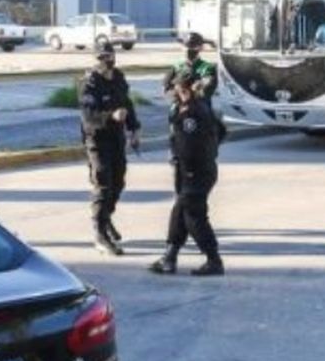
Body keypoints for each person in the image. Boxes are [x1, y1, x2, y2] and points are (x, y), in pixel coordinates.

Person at [150, 72, 223, 277]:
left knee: (193, 217)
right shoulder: (195, 106)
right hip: (194, 170)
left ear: (189, 89)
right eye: (176, 88)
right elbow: (221, 131)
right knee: (179, 212)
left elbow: (188, 147)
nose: (176, 92)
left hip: (195, 172)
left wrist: (186, 161)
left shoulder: (192, 112)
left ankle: (214, 260)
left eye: (180, 88)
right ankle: (169, 257)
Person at [79, 44, 140, 256]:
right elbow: (88, 116)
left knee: (119, 182)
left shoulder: (119, 78)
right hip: (97, 138)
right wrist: (110, 116)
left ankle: (105, 218)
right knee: (103, 184)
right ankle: (99, 232)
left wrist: (134, 128)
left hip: (116, 138)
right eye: (103, 57)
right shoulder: (90, 83)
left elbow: (127, 103)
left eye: (110, 56)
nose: (107, 60)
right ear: (96, 59)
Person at [165, 32, 218, 105]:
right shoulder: (176, 67)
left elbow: (209, 88)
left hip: (200, 107)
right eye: (187, 46)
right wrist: (179, 91)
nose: (189, 50)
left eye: (193, 46)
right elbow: (166, 88)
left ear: (201, 48)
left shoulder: (208, 68)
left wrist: (197, 89)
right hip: (179, 105)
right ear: (182, 48)